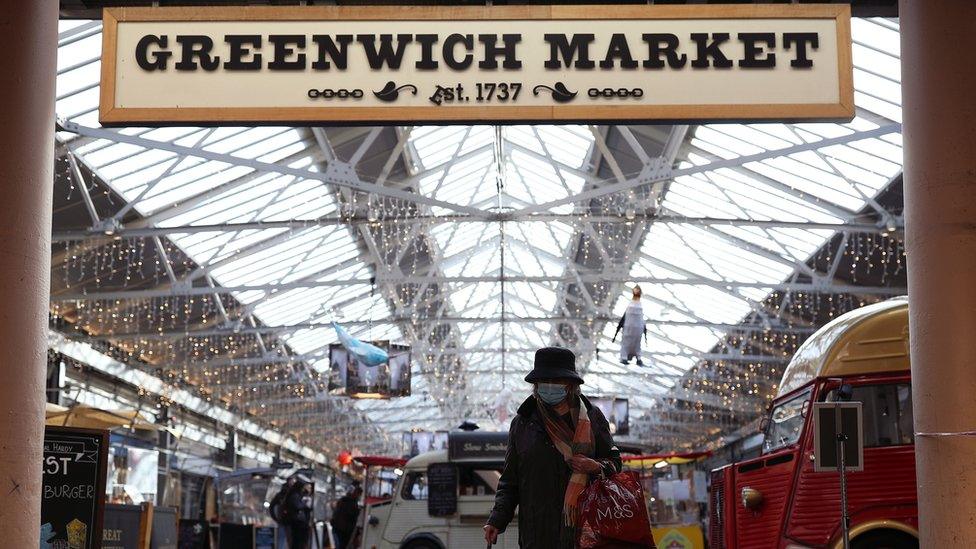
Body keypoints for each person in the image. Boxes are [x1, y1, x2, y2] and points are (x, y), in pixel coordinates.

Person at [484, 347, 622, 549]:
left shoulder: (592, 418)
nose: (549, 387)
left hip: (587, 530)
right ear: (535, 385)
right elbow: (510, 480)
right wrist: (496, 520)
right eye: (543, 382)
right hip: (537, 533)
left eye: (556, 381)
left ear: (570, 385)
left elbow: (616, 464)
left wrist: (595, 467)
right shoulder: (523, 424)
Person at [613, 285, 647, 365]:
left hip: (631, 326)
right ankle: (626, 359)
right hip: (636, 326)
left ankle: (625, 359)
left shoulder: (632, 350)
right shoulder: (634, 350)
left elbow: (621, 321)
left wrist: (615, 335)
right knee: (629, 344)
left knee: (627, 343)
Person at [330, 484, 362, 549]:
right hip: (342, 530)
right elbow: (352, 515)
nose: (359, 496)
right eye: (358, 494)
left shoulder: (345, 500)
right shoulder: (349, 502)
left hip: (340, 528)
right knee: (341, 545)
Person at [286, 478, 314, 549]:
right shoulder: (295, 495)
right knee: (297, 541)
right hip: (297, 522)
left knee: (300, 541)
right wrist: (305, 504)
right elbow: (298, 505)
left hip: (300, 522)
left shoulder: (299, 495)